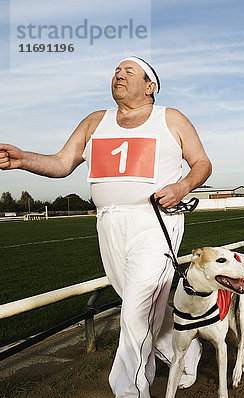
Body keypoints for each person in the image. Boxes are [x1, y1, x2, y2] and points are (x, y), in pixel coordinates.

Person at [0, 56, 212, 398]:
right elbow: (62, 162)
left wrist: (182, 187)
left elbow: (202, 163)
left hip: (155, 223)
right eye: (116, 70)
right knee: (138, 305)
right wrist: (24, 159)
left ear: (150, 86)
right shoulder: (94, 121)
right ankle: (183, 352)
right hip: (109, 224)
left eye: (129, 71)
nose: (119, 75)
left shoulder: (170, 118)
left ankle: (130, 391)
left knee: (135, 312)